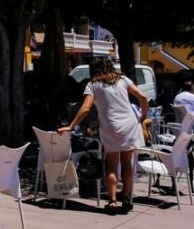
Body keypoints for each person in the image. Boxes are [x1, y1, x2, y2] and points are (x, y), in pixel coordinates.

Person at [59, 58, 147, 214]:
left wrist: (71, 126)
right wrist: (143, 116)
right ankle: (126, 199)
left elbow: (86, 108)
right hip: (130, 124)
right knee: (127, 163)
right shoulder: (123, 80)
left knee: (112, 165)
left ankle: (112, 201)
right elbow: (143, 97)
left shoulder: (93, 84)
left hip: (111, 126)